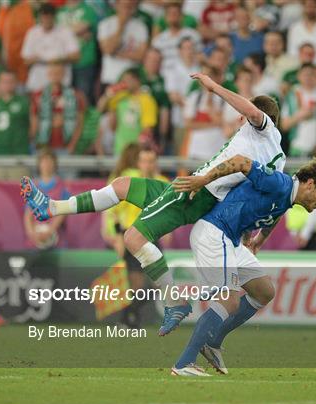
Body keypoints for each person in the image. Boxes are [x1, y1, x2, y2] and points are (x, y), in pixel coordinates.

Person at [20, 71, 285, 336]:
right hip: (200, 190)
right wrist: (257, 237)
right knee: (122, 185)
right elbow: (272, 199)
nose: (239, 117)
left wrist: (214, 87)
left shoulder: (263, 131)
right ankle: (51, 208)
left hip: (198, 193)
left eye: (245, 114)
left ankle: (174, 301)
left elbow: (251, 112)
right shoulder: (278, 157)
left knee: (133, 237)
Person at [169, 154, 316, 376]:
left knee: (264, 291)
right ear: (310, 184)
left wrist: (259, 240)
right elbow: (241, 161)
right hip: (214, 233)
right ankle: (184, 363)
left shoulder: (288, 196)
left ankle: (212, 342)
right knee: (229, 300)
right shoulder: (279, 182)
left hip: (232, 239)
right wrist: (204, 179)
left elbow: (274, 213)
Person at [103, 145, 169, 329]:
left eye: (151, 161)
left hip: (152, 237)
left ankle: (126, 317)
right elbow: (113, 210)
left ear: (155, 163)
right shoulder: (129, 181)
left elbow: (171, 210)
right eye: (144, 161)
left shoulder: (163, 182)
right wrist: (116, 236)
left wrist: (168, 230)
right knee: (136, 284)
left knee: (158, 284)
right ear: (139, 162)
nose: (147, 165)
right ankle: (131, 321)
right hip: (131, 236)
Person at [20, 3, 80, 92]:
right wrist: (45, 60)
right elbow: (26, 60)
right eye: (43, 17)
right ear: (39, 17)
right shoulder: (32, 33)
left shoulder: (65, 32)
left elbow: (76, 56)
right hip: (38, 80)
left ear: (54, 17)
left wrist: (57, 60)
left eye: (49, 17)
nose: (46, 20)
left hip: (61, 80)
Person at [97, 68, 157, 155]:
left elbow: (147, 128)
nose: (124, 83)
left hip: (137, 151)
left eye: (128, 80)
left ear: (137, 80)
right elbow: (100, 109)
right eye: (123, 80)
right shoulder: (120, 98)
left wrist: (138, 149)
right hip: (119, 149)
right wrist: (108, 94)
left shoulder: (147, 100)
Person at [23, 148, 70, 250]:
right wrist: (32, 234)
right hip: (36, 239)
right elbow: (28, 214)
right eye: (43, 161)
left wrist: (50, 230)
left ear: (55, 164)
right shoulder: (32, 187)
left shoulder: (62, 187)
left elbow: (63, 213)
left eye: (49, 161)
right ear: (39, 164)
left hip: (57, 239)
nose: (46, 164)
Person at [56, 0, 99, 105]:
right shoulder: (58, 11)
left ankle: (86, 121)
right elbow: (52, 34)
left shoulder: (88, 10)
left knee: (83, 97)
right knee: (64, 99)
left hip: (84, 61)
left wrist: (61, 33)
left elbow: (57, 34)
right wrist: (77, 32)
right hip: (63, 64)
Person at [97, 0, 148, 87]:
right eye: (124, 6)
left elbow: (141, 56)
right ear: (117, 6)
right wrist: (121, 26)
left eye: (129, 6)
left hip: (133, 79)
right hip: (110, 77)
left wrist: (118, 53)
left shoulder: (141, 27)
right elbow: (108, 50)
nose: (126, 9)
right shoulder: (105, 25)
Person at [152, 1, 201, 79]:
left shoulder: (193, 35)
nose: (172, 16)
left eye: (175, 13)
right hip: (165, 77)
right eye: (170, 14)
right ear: (165, 17)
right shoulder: (158, 40)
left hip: (188, 76)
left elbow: (199, 57)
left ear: (181, 16)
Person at [0, 71, 30, 156]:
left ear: (16, 83)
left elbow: (33, 126)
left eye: (11, 81)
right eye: (4, 82)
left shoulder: (25, 102)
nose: (8, 84)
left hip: (20, 152)